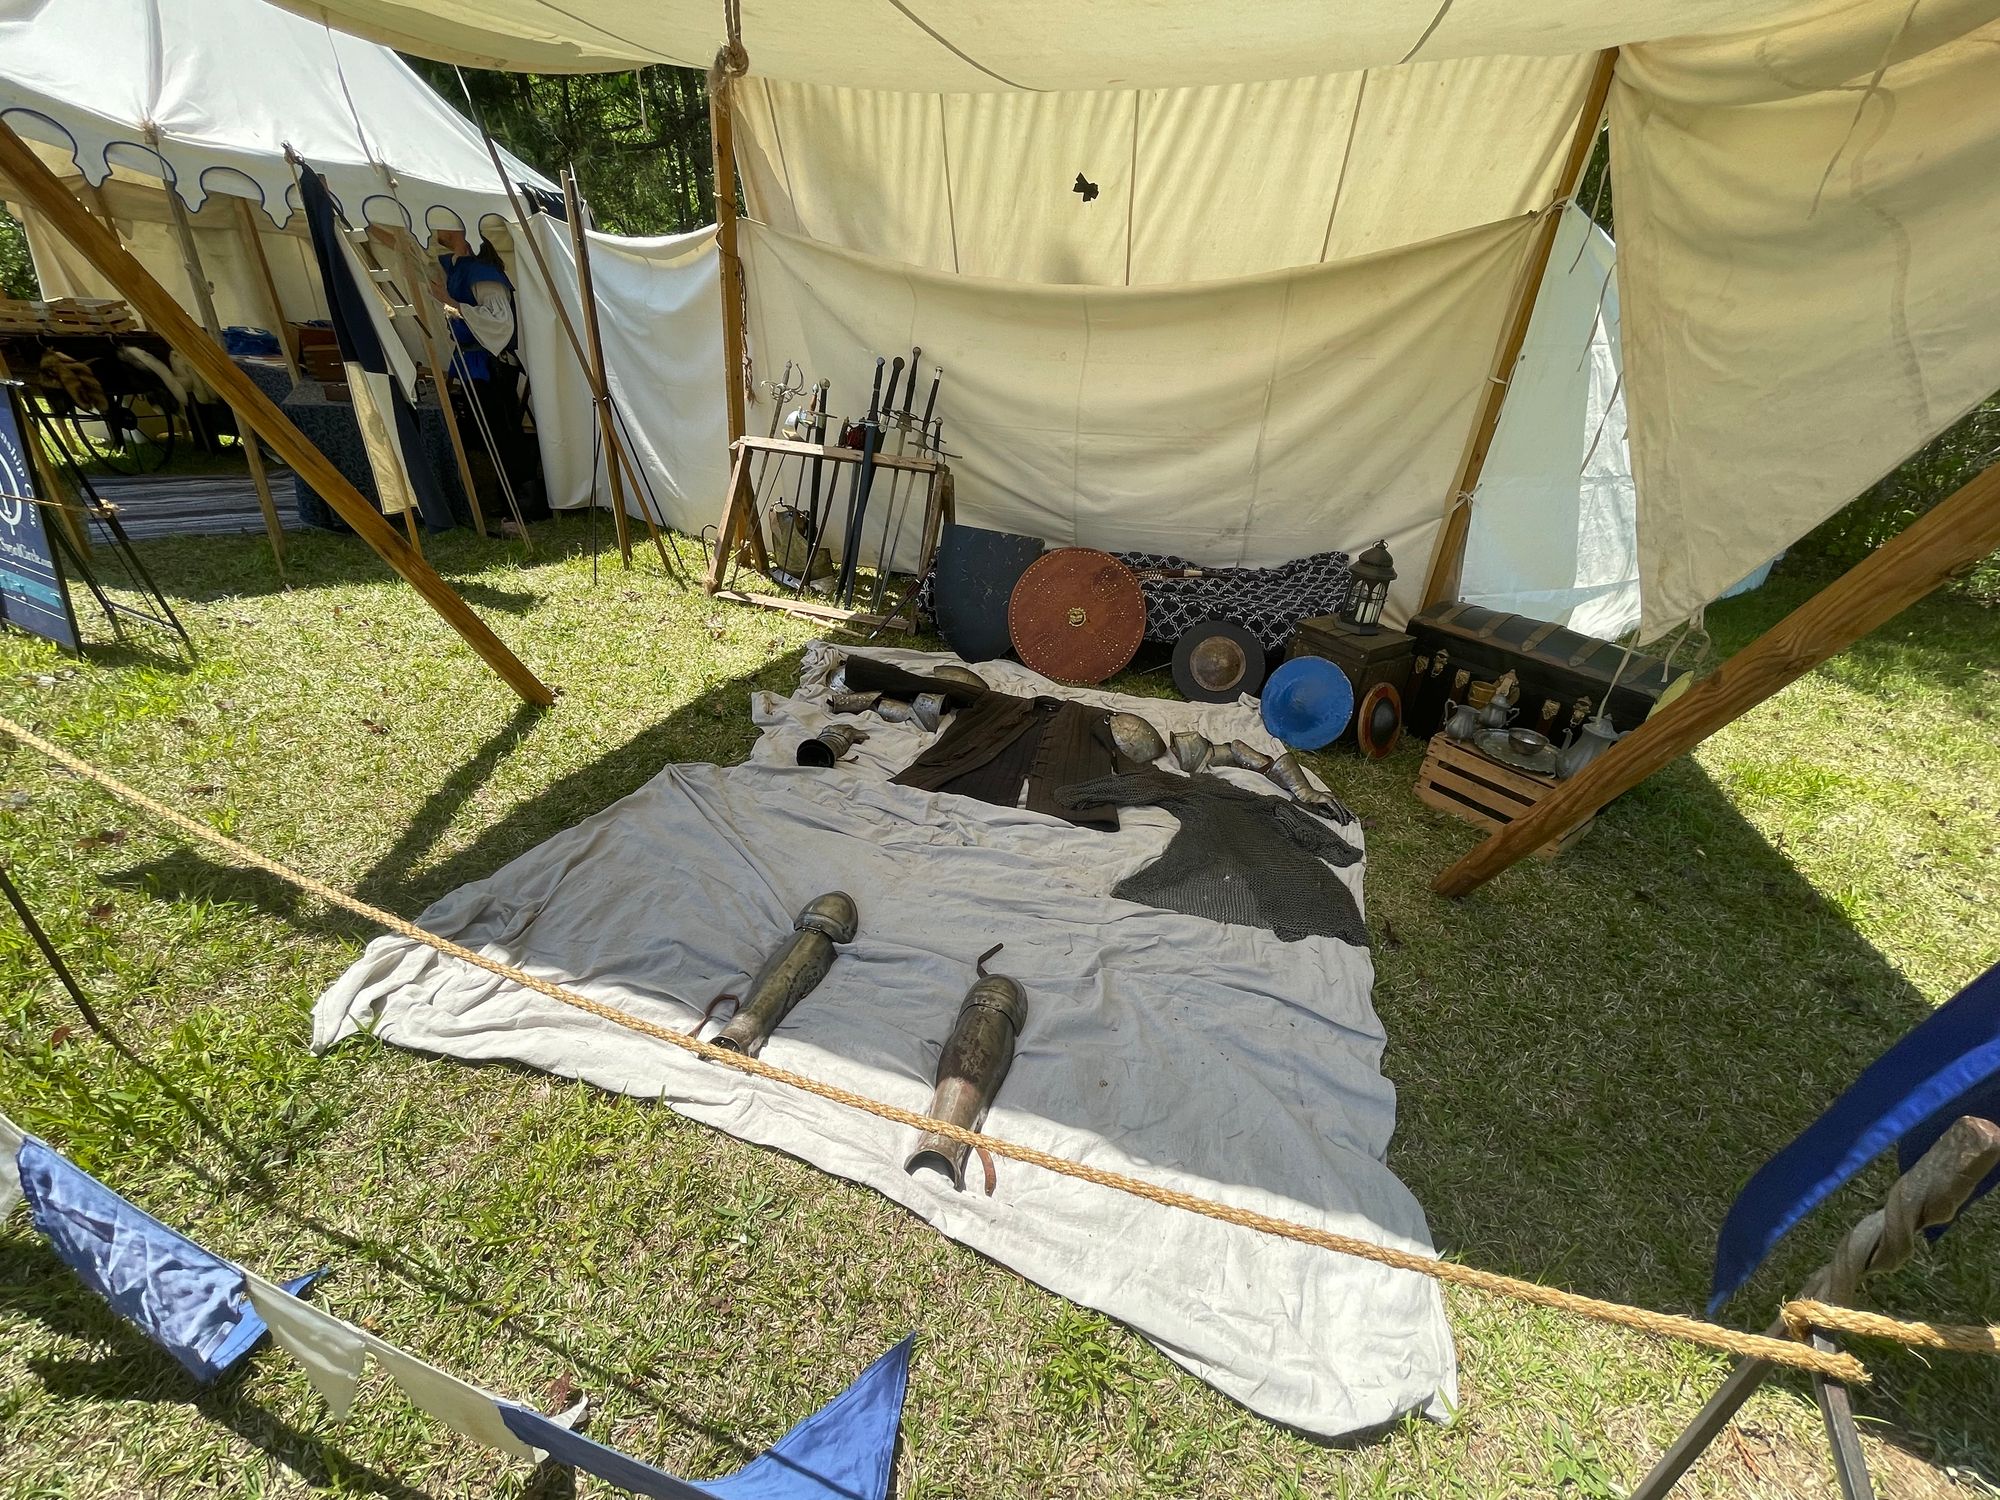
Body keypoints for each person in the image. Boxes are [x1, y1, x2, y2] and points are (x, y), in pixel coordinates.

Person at [436, 227, 547, 519]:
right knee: (487, 436)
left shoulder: (483, 274)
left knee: (503, 435)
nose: (435, 230)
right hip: (474, 365)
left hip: (492, 367)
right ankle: (503, 500)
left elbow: (500, 324)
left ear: (458, 231)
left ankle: (523, 503)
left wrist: (452, 303)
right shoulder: (462, 268)